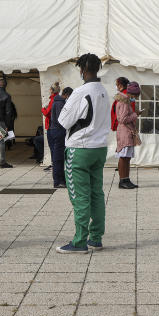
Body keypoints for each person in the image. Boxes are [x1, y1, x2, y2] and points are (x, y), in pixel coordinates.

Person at [56, 53, 112, 254]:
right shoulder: (104, 91)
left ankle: (79, 241)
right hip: (99, 148)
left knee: (80, 196)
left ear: (81, 70)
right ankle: (95, 238)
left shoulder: (80, 92)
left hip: (79, 148)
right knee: (96, 193)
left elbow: (63, 121)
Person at [113, 81, 141, 189]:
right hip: (125, 132)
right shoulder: (124, 102)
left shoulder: (126, 101)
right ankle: (122, 180)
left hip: (126, 131)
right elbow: (122, 119)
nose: (136, 98)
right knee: (123, 157)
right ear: (131, 94)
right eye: (136, 96)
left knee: (127, 157)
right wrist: (135, 114)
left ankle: (126, 179)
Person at [48, 87, 72, 188]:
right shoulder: (60, 103)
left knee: (57, 157)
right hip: (58, 131)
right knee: (58, 158)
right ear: (66, 94)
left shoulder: (56, 101)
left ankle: (60, 179)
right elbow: (61, 120)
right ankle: (58, 181)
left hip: (54, 131)